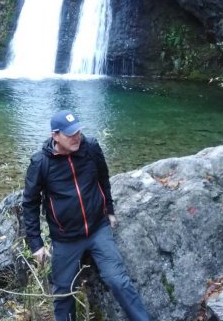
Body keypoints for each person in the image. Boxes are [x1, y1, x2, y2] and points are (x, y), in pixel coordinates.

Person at [23, 110, 150, 321]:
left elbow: (103, 178)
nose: (76, 137)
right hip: (66, 239)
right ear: (55, 135)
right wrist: (36, 244)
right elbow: (30, 203)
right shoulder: (41, 163)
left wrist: (109, 210)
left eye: (78, 132)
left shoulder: (90, 148)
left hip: (97, 228)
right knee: (63, 293)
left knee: (118, 280)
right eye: (70, 134)